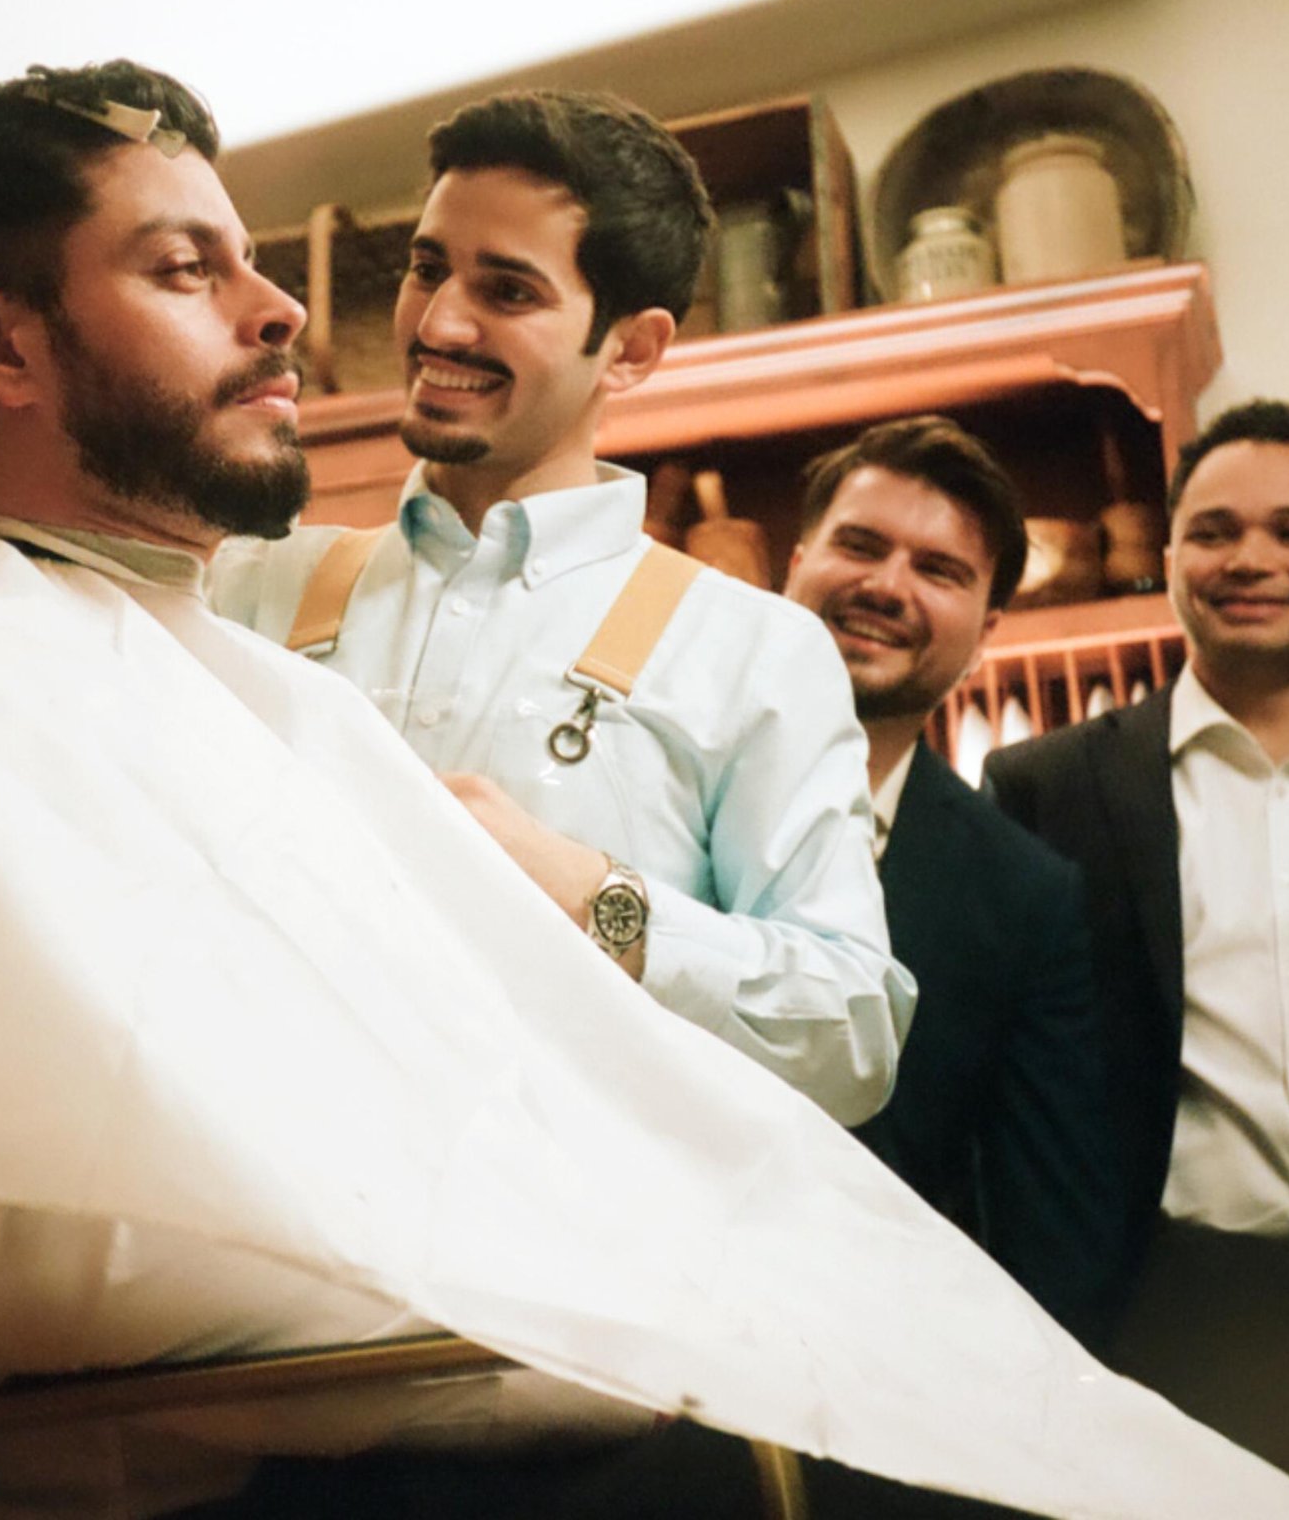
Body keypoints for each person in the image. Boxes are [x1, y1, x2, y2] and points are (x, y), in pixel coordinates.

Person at [0, 61, 1289, 1520]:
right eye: (204, 270)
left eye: (497, 290)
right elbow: (48, 1253)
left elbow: (820, 1036)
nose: (349, 318)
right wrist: (606, 1276)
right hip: (346, 1418)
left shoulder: (636, 655)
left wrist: (582, 920)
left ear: (628, 346)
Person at [210, 90, 907, 1125]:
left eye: (508, 291)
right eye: (427, 266)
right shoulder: (246, 584)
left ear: (629, 349)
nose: (439, 322)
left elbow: (851, 1033)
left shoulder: (755, 650)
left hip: (592, 1254)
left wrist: (593, 899)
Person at [982, 399, 1289, 1510]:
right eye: (1212, 531)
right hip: (1159, 1303)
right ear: (1167, 560)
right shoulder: (1044, 790)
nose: (1248, 557)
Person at [781, 417, 1120, 1346]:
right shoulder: (640, 777)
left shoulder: (1024, 897)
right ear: (796, 562)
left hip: (876, 1386)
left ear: (987, 632)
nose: (886, 585)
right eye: (859, 545)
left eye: (939, 570)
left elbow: (1054, 1241)